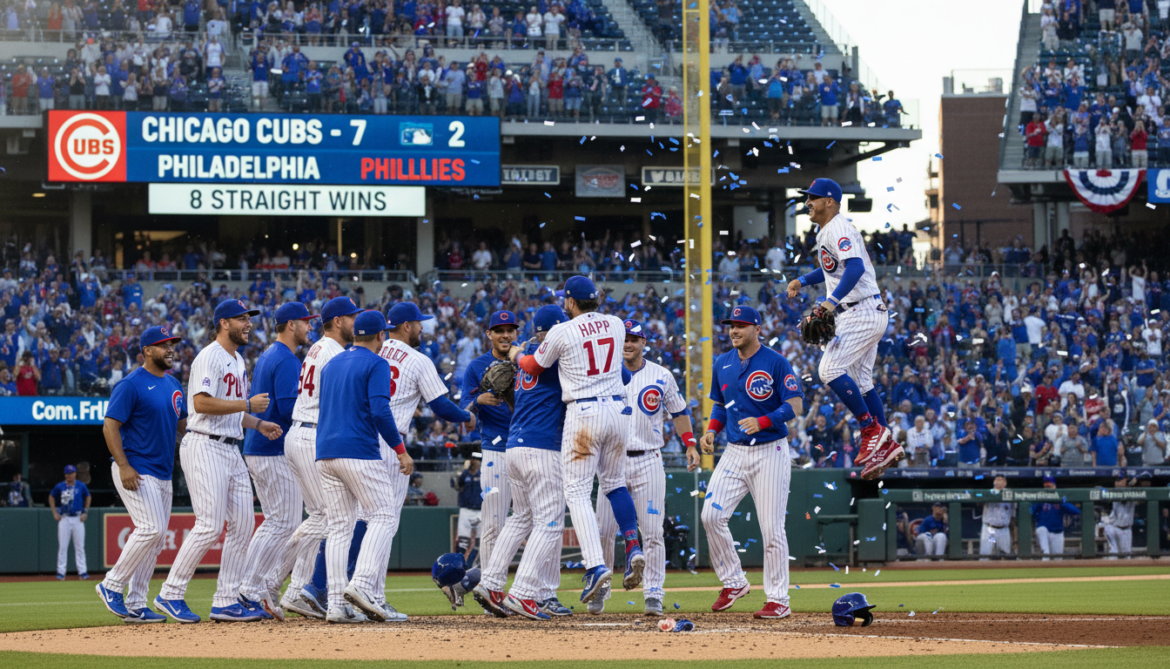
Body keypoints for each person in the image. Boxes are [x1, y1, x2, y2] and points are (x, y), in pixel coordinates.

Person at [508, 276, 645, 603]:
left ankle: (596, 565)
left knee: (578, 492)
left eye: (566, 300)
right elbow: (624, 373)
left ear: (570, 301)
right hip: (618, 410)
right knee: (615, 484)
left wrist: (515, 354)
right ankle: (632, 545)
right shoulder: (615, 323)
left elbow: (532, 366)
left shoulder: (562, 331)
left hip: (584, 413)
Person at [155, 299, 282, 624]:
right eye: (242, 318)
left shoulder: (238, 359)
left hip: (230, 446)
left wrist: (257, 423)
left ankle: (226, 600)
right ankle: (170, 592)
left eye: (249, 318)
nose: (248, 324)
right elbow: (201, 404)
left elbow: (231, 411)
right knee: (209, 525)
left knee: (244, 525)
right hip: (204, 444)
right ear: (224, 323)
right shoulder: (210, 356)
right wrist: (247, 405)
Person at [787, 178, 902, 479]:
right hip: (865, 309)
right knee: (862, 382)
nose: (808, 202)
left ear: (830, 201)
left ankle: (870, 428)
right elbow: (832, 268)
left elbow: (855, 267)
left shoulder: (838, 227)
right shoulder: (829, 230)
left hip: (860, 311)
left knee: (828, 370)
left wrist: (830, 302)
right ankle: (885, 447)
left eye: (813, 197)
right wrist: (803, 280)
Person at [699, 305, 802, 619]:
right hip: (734, 451)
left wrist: (764, 420)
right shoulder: (723, 362)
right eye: (732, 325)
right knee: (710, 516)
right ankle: (734, 581)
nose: (734, 330)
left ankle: (779, 600)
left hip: (770, 450)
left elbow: (795, 404)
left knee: (771, 529)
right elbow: (720, 405)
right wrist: (711, 430)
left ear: (757, 329)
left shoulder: (776, 361)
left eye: (741, 325)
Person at [473, 305, 573, 619]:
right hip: (542, 447)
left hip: (514, 446)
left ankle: (490, 583)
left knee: (520, 518)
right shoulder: (558, 357)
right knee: (550, 522)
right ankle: (523, 592)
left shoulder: (526, 354)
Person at [592, 319, 696, 616]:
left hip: (648, 458)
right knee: (603, 531)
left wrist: (690, 444)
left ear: (643, 343)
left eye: (633, 339)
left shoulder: (661, 375)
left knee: (652, 532)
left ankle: (653, 593)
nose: (628, 344)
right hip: (611, 460)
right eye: (624, 339)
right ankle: (601, 588)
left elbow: (679, 412)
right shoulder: (603, 374)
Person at [315, 310, 411, 624]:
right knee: (383, 514)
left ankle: (335, 604)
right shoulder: (376, 363)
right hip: (357, 450)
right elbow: (381, 411)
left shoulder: (332, 363)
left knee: (339, 527)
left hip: (325, 452)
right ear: (381, 335)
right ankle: (363, 584)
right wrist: (400, 451)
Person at [276, 297, 362, 620]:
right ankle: (266, 578)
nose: (356, 322)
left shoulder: (318, 348)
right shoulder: (334, 352)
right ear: (338, 321)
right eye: (352, 317)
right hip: (312, 434)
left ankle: (297, 591)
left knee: (322, 517)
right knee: (328, 519)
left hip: (301, 433)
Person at [96, 326, 186, 623]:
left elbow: (183, 426)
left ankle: (136, 603)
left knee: (156, 541)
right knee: (151, 529)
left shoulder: (173, 383)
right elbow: (110, 426)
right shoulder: (131, 384)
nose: (170, 349)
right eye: (163, 344)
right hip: (135, 467)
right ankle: (111, 585)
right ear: (147, 350)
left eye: (172, 344)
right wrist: (123, 465)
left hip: (163, 472)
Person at [237, 303, 316, 621]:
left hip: (265, 447)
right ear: (291, 324)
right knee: (281, 522)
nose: (310, 327)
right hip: (271, 448)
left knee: (284, 521)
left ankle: (260, 588)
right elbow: (288, 409)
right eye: (306, 322)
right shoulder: (285, 359)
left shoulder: (274, 354)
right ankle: (249, 589)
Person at [459, 311, 517, 573]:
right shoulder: (476, 366)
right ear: (489, 334)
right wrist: (478, 401)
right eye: (499, 330)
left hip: (529, 448)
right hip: (495, 450)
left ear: (515, 333)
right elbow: (464, 412)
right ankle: (490, 583)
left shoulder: (527, 362)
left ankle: (536, 588)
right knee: (493, 522)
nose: (505, 335)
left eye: (510, 330)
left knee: (538, 521)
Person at [50, 464, 91, 580]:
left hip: (78, 517)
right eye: (68, 474)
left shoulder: (81, 485)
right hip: (64, 518)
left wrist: (85, 511)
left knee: (80, 546)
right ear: (65, 475)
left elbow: (88, 497)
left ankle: (82, 572)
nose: (70, 476)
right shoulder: (60, 486)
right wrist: (54, 512)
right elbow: (51, 496)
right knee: (63, 546)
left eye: (72, 473)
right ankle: (61, 572)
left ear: (75, 474)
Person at [1032, 476, 1080, 560]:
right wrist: (1038, 518)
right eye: (1046, 486)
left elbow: (1076, 511)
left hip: (1057, 533)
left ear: (1054, 486)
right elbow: (1030, 511)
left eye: (1049, 486)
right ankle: (1045, 555)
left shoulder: (1060, 498)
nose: (1047, 489)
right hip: (1045, 532)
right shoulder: (1040, 498)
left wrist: (1060, 501)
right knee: (1041, 529)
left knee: (1058, 560)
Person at [979, 475, 1015, 558]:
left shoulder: (1010, 494)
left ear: (1005, 483)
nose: (997, 481)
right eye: (996, 479)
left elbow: (1013, 514)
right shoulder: (989, 493)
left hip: (1004, 530)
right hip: (989, 529)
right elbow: (979, 502)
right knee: (985, 555)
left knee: (1006, 554)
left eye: (1000, 480)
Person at [454, 456, 482, 561]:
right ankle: (461, 564)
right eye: (472, 459)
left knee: (481, 539)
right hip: (466, 509)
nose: (473, 462)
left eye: (476, 460)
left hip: (480, 509)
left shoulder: (483, 473)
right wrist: (462, 472)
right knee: (463, 540)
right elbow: (457, 486)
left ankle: (479, 564)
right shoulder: (464, 474)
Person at [1103, 476, 1136, 558]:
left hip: (1127, 529)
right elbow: (1123, 497)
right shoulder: (1114, 492)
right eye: (1122, 481)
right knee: (1114, 554)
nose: (1124, 483)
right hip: (1113, 527)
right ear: (1116, 483)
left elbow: (1147, 475)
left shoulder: (1134, 492)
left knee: (1127, 557)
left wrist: (1134, 481)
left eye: (1125, 481)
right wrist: (1130, 484)